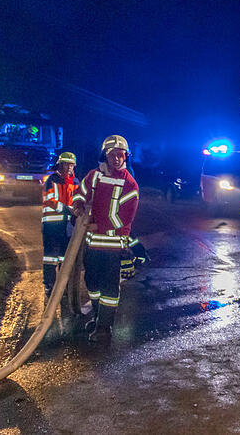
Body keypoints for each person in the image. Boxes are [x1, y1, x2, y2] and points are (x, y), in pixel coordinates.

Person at [71, 135, 139, 342]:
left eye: (121, 155)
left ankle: (104, 328)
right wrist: (78, 205)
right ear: (105, 156)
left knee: (109, 288)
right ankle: (98, 316)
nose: (117, 159)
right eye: (113, 155)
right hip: (92, 243)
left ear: (126, 157)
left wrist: (98, 225)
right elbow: (80, 192)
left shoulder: (130, 184)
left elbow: (124, 218)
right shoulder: (94, 176)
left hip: (112, 245)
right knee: (91, 281)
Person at [41, 151, 80, 304]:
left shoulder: (76, 182)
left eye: (71, 165)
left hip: (68, 226)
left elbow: (78, 199)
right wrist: (67, 209)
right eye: (66, 164)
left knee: (65, 258)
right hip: (51, 225)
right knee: (50, 258)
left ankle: (63, 287)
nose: (69, 168)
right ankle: (49, 287)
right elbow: (50, 200)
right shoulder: (51, 180)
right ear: (60, 164)